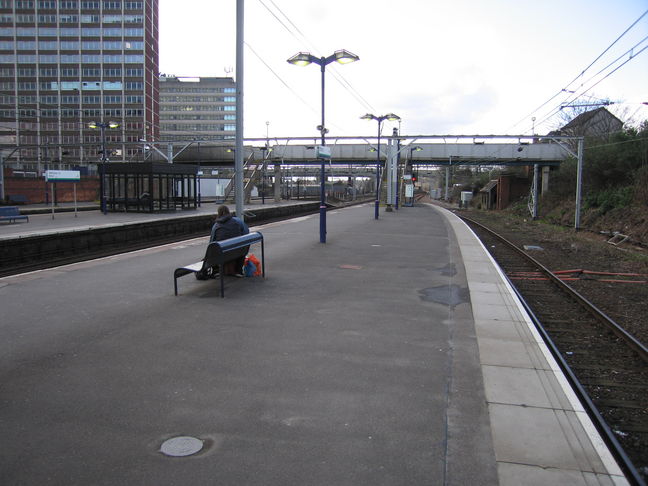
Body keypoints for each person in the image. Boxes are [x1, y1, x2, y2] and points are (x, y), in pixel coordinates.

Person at [205, 205, 247, 277]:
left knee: (213, 250)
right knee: (242, 247)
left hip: (221, 254)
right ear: (228, 212)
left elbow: (211, 242)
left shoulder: (216, 225)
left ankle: (216, 271)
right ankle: (238, 270)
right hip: (237, 253)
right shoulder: (237, 222)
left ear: (219, 213)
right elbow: (245, 233)